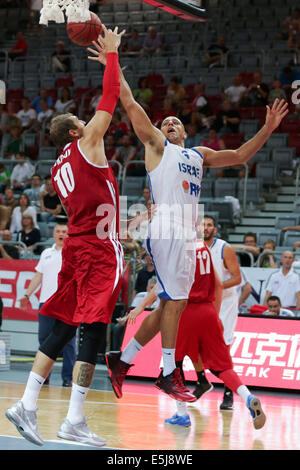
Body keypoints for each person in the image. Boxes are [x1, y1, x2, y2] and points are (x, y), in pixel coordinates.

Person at [88, 38, 288, 402]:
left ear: (186, 132)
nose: (169, 124)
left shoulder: (199, 155)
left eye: (175, 121)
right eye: (164, 122)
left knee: (169, 303)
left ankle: (124, 359)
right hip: (165, 226)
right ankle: (167, 371)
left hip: (185, 233)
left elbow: (241, 155)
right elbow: (129, 102)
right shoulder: (156, 147)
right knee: (176, 302)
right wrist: (111, 63)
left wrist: (269, 128)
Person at [6, 26, 125, 448]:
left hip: (76, 244)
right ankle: (74, 419)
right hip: (96, 247)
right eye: (81, 121)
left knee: (62, 327)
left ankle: (27, 403)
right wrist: (112, 54)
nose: (88, 121)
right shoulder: (88, 142)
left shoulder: (58, 169)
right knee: (93, 328)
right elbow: (109, 99)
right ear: (76, 132)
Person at [128, 240, 266, 430]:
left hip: (184, 311)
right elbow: (218, 284)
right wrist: (214, 314)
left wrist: (141, 306)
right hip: (208, 311)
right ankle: (247, 396)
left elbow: (161, 285)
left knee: (174, 364)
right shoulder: (203, 248)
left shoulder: (175, 247)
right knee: (223, 366)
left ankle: (182, 413)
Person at [19, 224, 77, 386]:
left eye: (64, 232)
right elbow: (38, 276)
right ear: (53, 234)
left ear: (69, 234)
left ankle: (68, 378)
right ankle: (44, 376)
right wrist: (27, 295)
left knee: (69, 342)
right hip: (46, 303)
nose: (61, 234)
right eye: (58, 231)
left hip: (67, 304)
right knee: (44, 341)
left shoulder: (74, 253)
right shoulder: (46, 253)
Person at [201, 215, 242, 410]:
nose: (206, 228)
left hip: (225, 302)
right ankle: (203, 382)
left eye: (209, 225)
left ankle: (228, 393)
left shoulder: (224, 248)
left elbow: (237, 278)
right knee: (195, 346)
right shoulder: (194, 248)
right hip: (204, 303)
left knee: (224, 348)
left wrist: (215, 288)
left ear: (215, 229)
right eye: (203, 225)